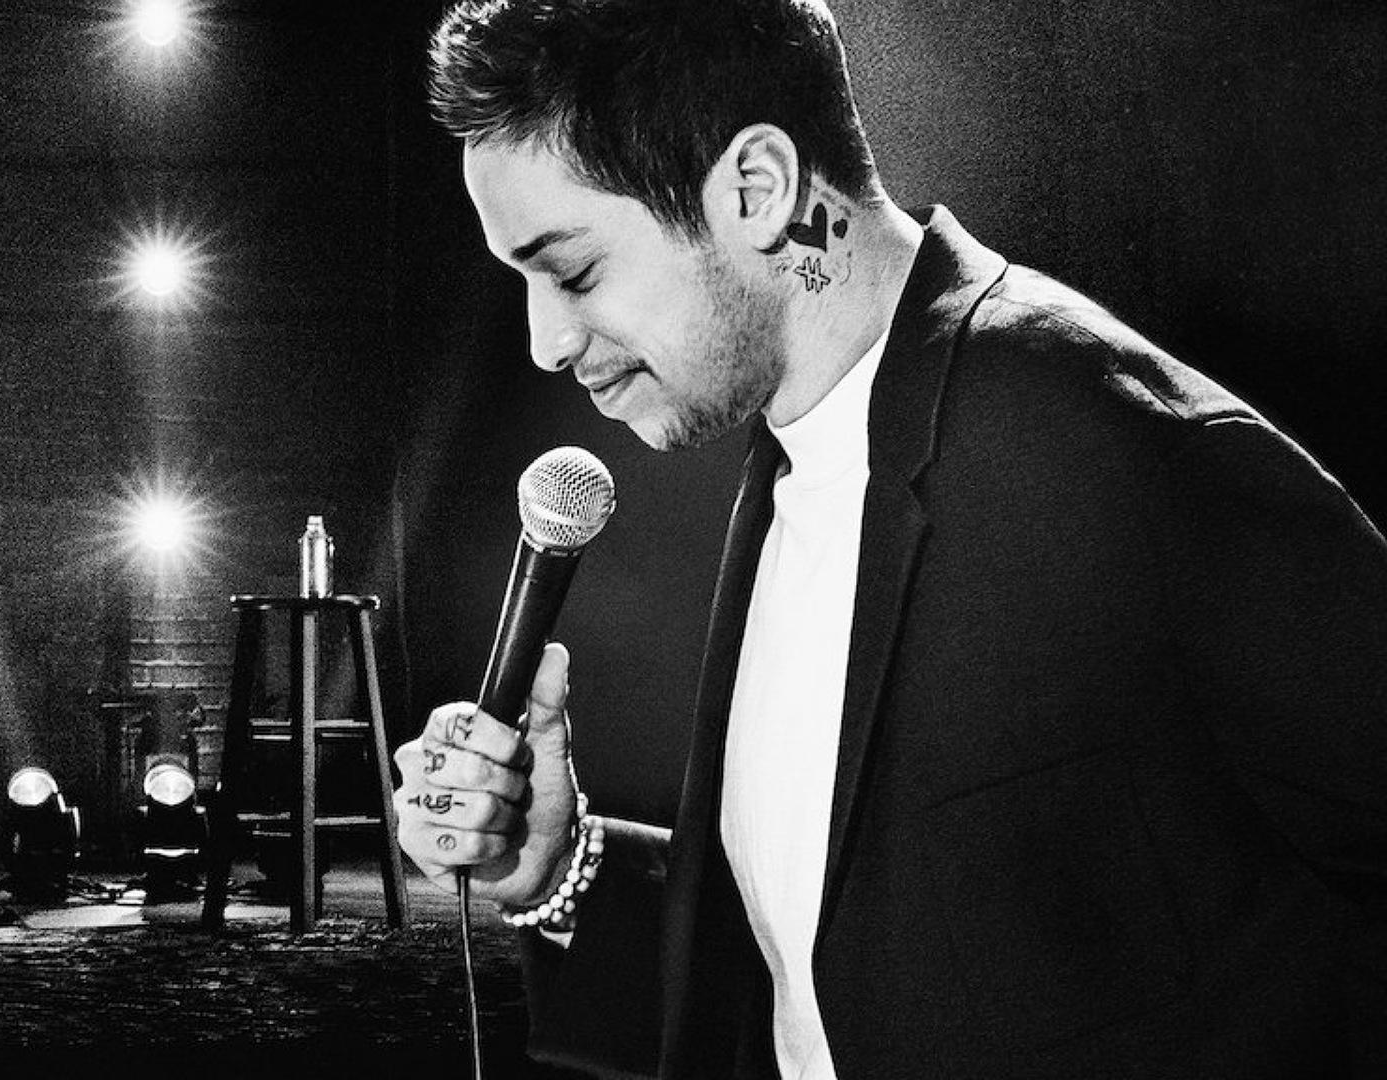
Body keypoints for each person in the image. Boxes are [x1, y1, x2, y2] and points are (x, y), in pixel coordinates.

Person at [390, 1, 1387, 1078]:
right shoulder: (788, 459)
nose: (545, 341)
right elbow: (842, 962)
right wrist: (559, 867)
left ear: (758, 189)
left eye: (574, 271)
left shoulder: (1121, 450)